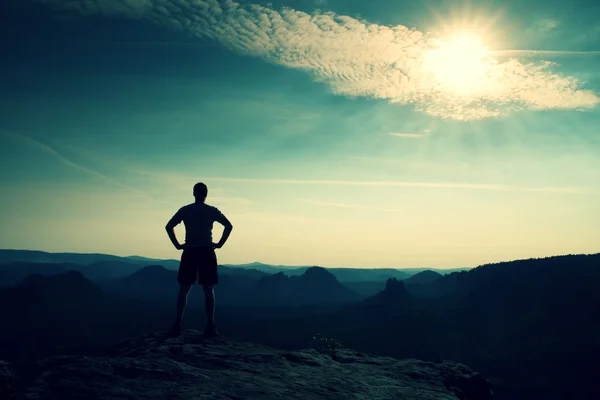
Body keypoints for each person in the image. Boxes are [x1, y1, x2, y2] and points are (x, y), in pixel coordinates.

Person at [165, 182, 233, 338]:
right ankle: (210, 326)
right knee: (208, 289)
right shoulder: (212, 211)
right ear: (206, 194)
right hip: (207, 251)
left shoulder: (185, 210)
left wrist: (177, 245)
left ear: (193, 193)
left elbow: (169, 226)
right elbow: (228, 226)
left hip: (189, 251)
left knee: (184, 289)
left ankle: (177, 324)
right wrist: (220, 243)